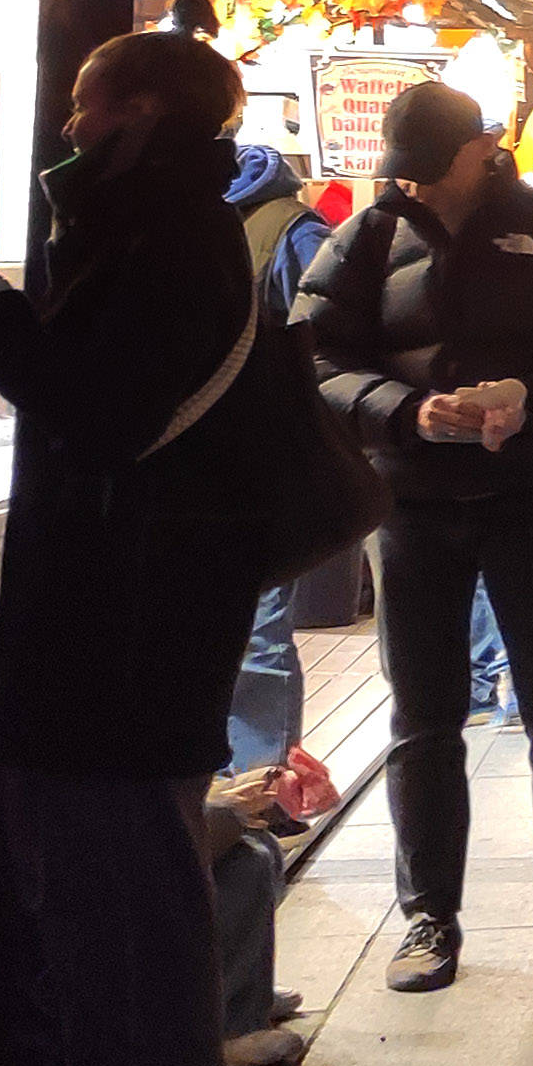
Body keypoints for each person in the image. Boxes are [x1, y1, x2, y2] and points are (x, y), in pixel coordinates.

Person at [0, 29, 270, 1066]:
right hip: (135, 636)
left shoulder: (162, 237)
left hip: (122, 645)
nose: (70, 130)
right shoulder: (169, 225)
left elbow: (109, 413)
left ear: (137, 109)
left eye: (86, 104)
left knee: (121, 932)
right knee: (129, 924)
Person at [300, 81, 533, 996]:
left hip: (528, 490)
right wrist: (408, 411)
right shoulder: (366, 236)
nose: (414, 186)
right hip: (411, 503)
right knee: (423, 715)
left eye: (431, 168)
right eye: (403, 172)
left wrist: (532, 399)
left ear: (479, 149)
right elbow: (314, 358)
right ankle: (427, 918)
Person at [218, 139, 328, 788]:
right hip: (247, 448)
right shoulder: (277, 227)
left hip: (262, 449)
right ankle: (259, 775)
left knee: (256, 621)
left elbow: (323, 336)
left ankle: (261, 779)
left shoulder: (291, 229)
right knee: (251, 621)